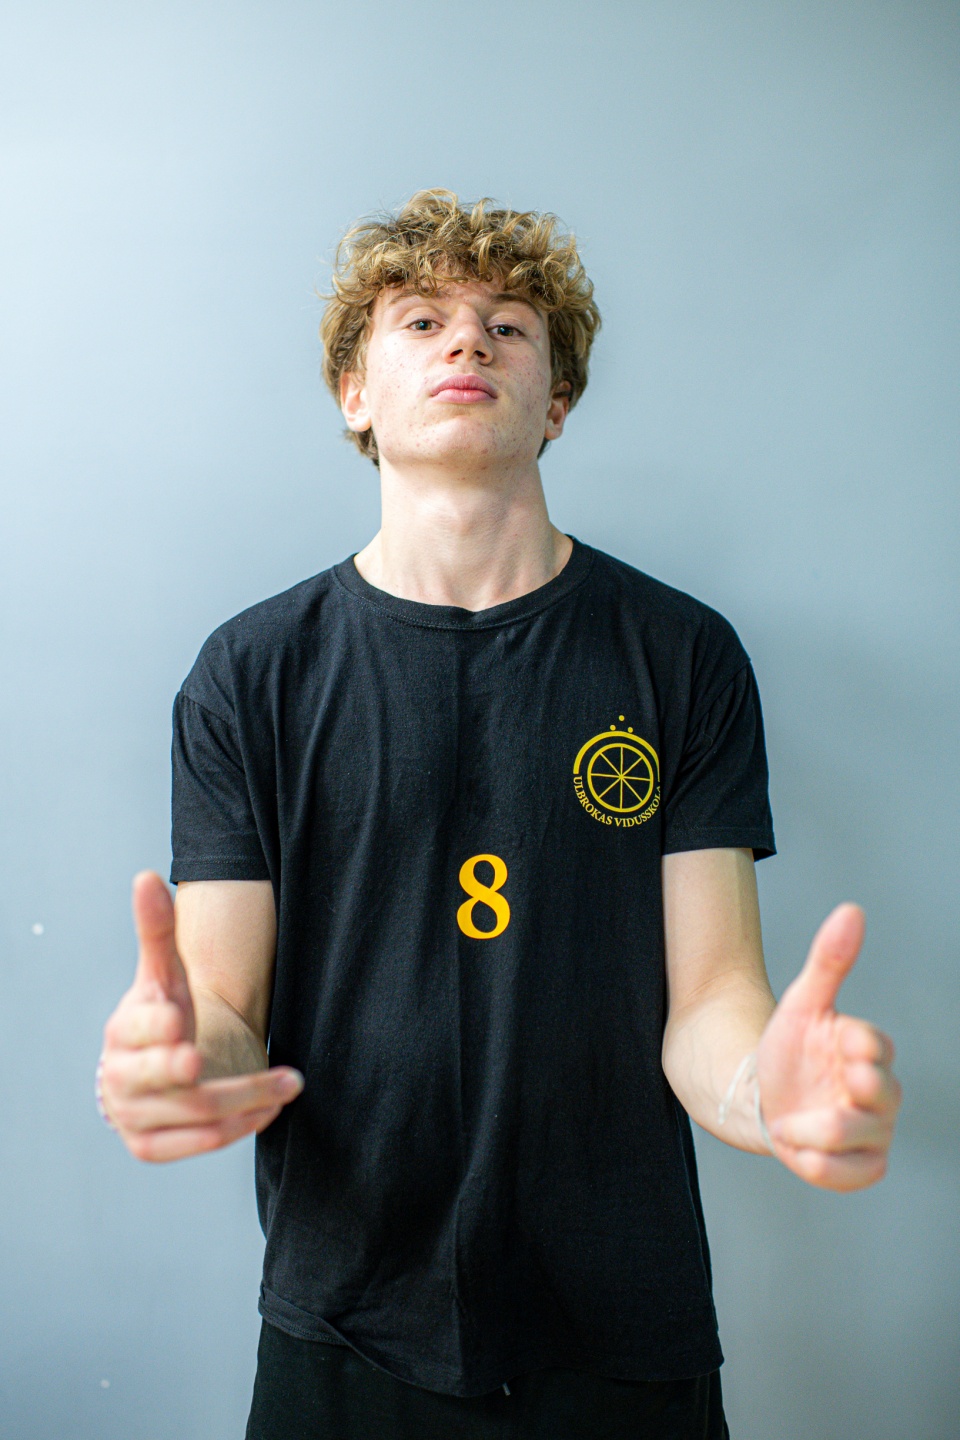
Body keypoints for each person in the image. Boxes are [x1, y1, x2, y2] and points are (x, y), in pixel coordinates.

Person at [98, 190, 901, 1440]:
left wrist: (765, 1094)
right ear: (354, 395)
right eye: (421, 321)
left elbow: (711, 1003)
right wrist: (183, 1065)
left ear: (557, 402)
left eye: (509, 325)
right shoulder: (250, 673)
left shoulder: (680, 654)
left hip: (623, 1330)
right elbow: (225, 1008)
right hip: (344, 1322)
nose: (467, 340)